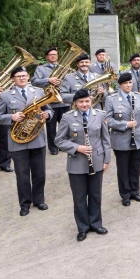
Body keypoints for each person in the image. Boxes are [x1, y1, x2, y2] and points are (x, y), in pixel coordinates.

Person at [54, 89, 110, 241]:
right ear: (75, 103)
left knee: (95, 194)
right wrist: (77, 148)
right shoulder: (67, 117)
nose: (84, 104)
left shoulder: (100, 115)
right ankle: (83, 227)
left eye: (87, 101)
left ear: (91, 101)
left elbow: (105, 139)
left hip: (96, 160)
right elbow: (59, 140)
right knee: (79, 197)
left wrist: (106, 160)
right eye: (81, 102)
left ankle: (96, 224)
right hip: (76, 162)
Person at [0, 66, 51, 216]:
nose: (21, 78)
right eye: (18, 76)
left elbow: (49, 109)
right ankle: (25, 204)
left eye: (24, 75)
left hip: (37, 139)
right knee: (22, 175)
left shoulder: (38, 92)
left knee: (40, 173)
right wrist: (11, 117)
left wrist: (47, 114)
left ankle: (39, 200)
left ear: (28, 76)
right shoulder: (5, 96)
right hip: (17, 142)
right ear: (13, 79)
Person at [105, 72, 140, 206]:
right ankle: (125, 194)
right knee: (123, 169)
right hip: (121, 139)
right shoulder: (111, 99)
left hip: (139, 137)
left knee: (136, 167)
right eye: (125, 83)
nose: (128, 85)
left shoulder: (139, 96)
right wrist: (125, 124)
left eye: (130, 82)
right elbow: (108, 120)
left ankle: (135, 192)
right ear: (120, 85)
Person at [31, 46, 68, 155]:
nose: (53, 56)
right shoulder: (41, 68)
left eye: (55, 54)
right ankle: (53, 147)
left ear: (57, 56)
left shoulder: (64, 68)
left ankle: (63, 144)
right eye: (51, 55)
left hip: (64, 101)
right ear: (47, 56)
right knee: (51, 127)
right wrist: (48, 80)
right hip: (50, 102)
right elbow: (34, 81)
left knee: (65, 125)